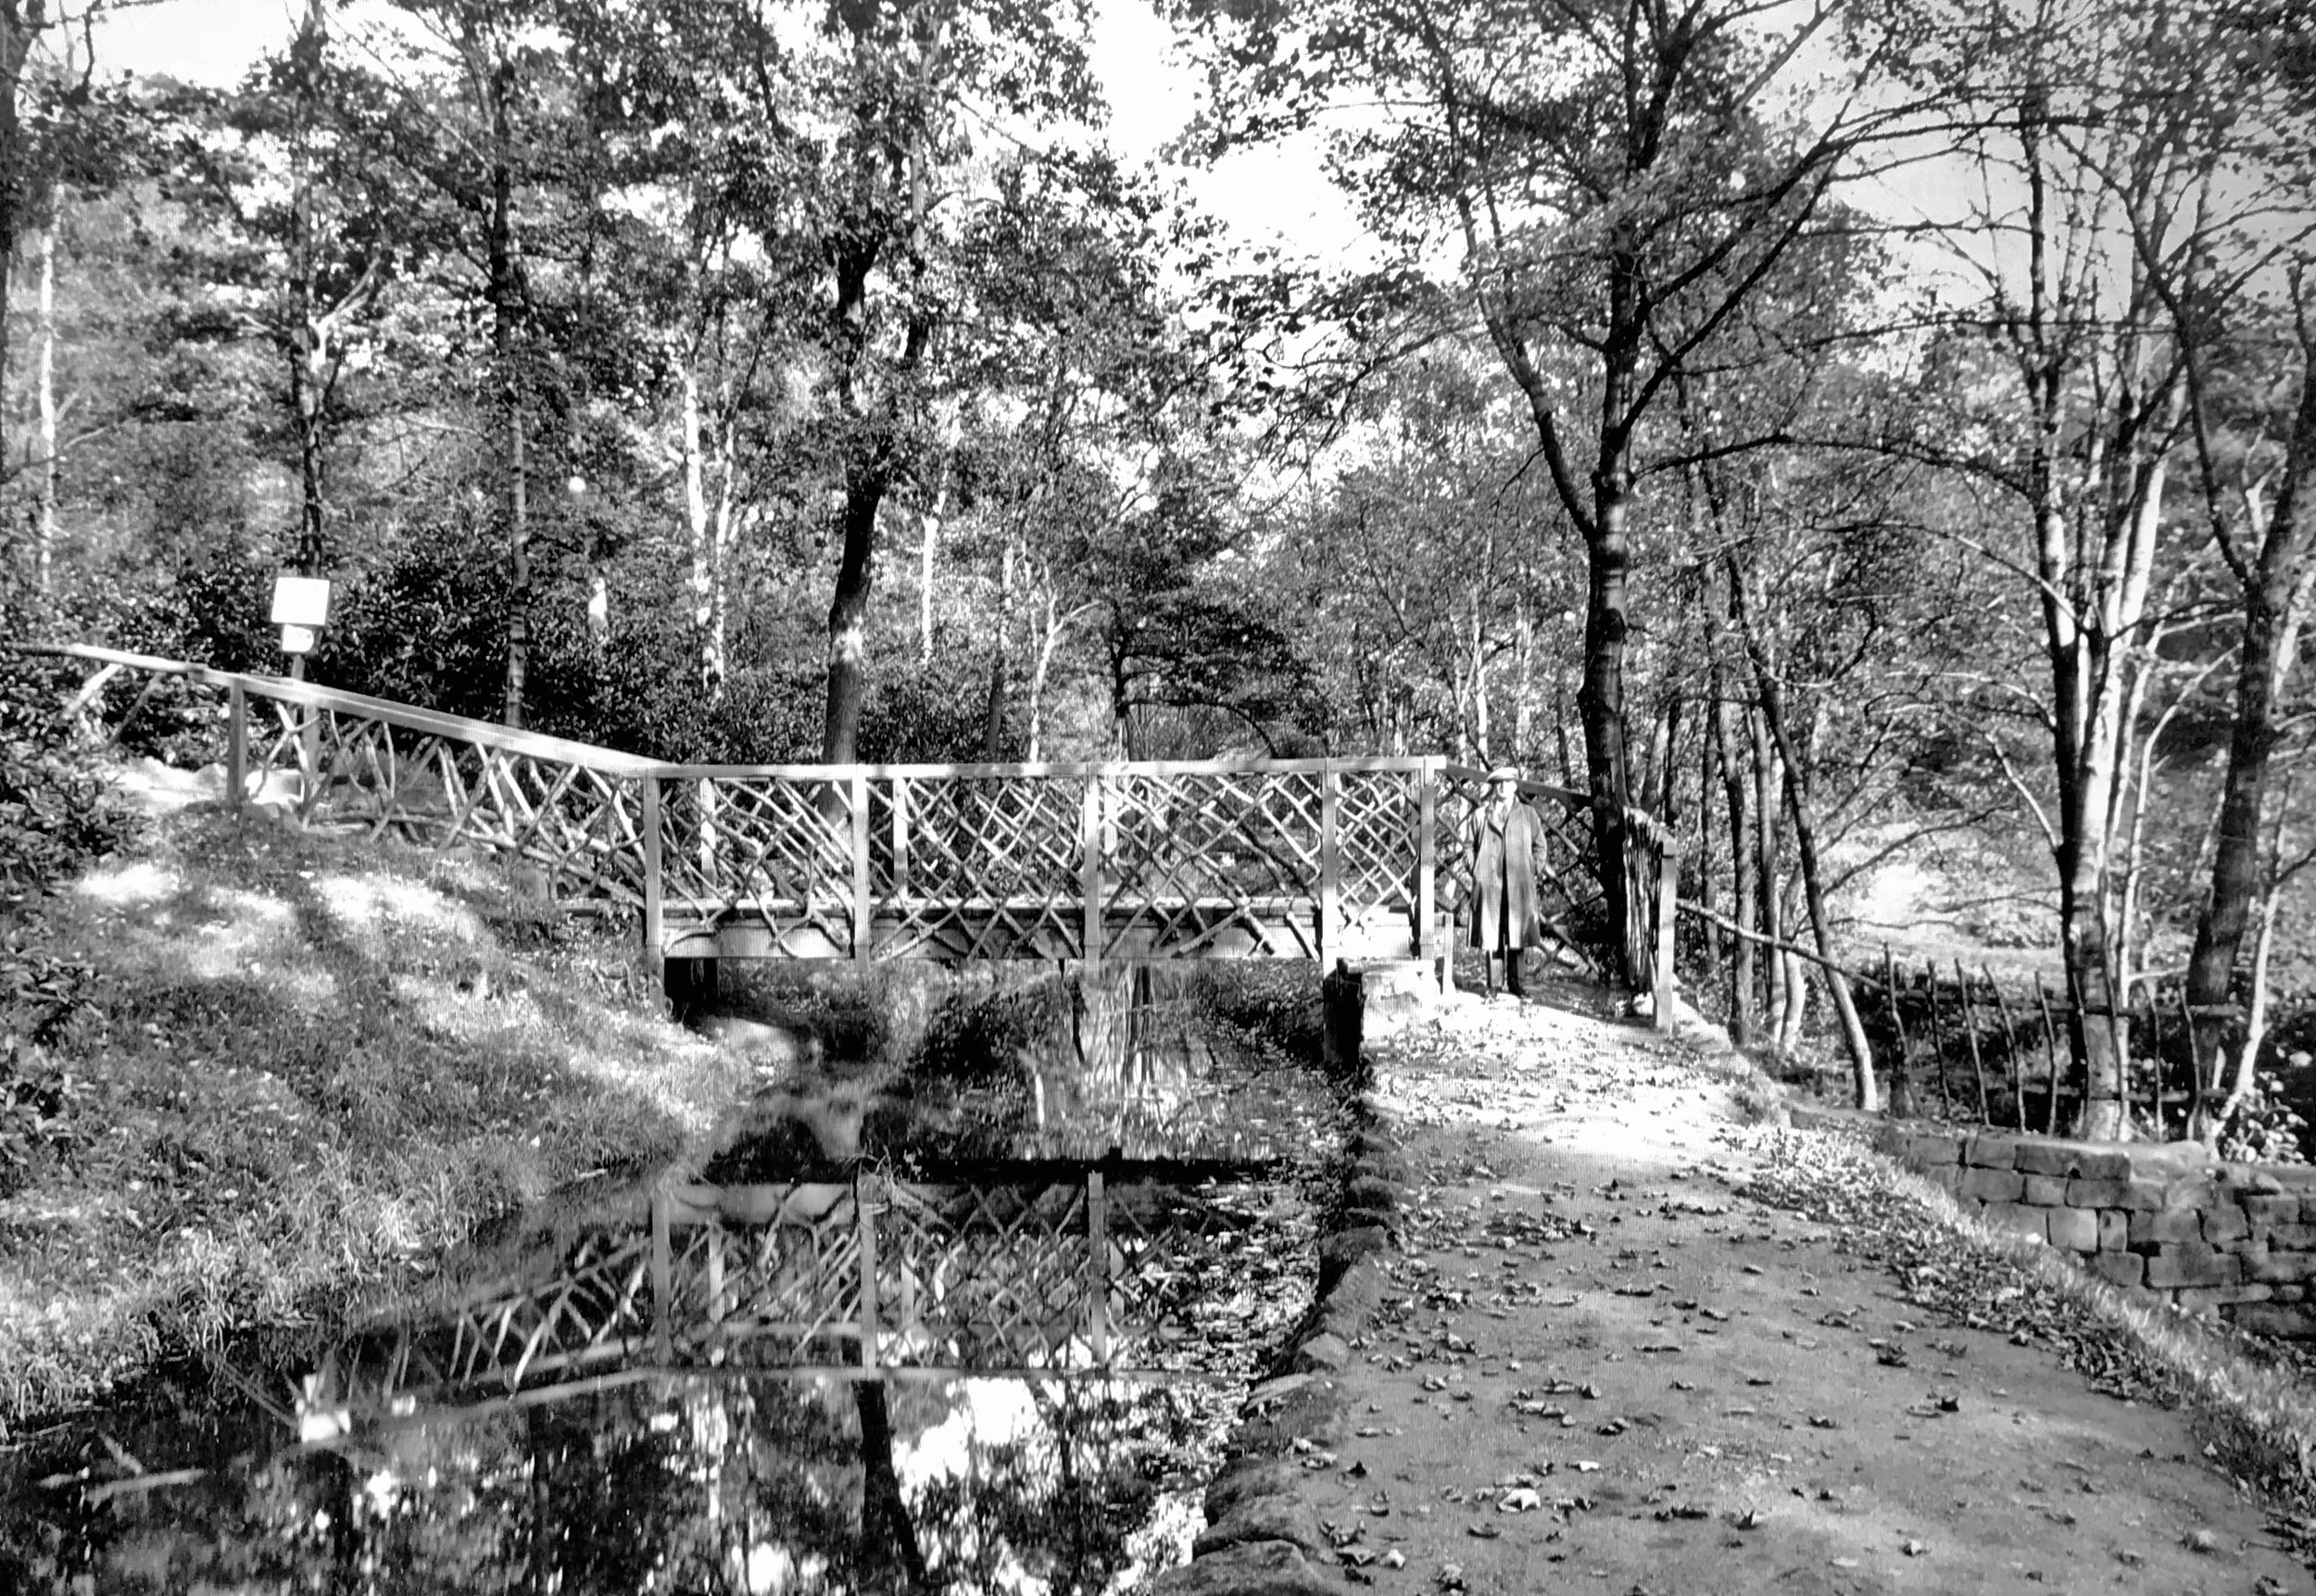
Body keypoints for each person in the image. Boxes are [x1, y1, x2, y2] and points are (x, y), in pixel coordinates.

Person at [1466, 764, 1546, 999]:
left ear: (1515, 786)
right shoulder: (1481, 815)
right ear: (1493, 787)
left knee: (1517, 934)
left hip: (1518, 886)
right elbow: (1468, 846)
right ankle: (1493, 985)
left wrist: (1533, 871)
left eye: (1508, 782)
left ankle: (1517, 984)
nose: (1503, 787)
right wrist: (1476, 871)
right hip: (1490, 885)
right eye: (1498, 783)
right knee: (1492, 934)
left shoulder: (1528, 815)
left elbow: (1540, 846)